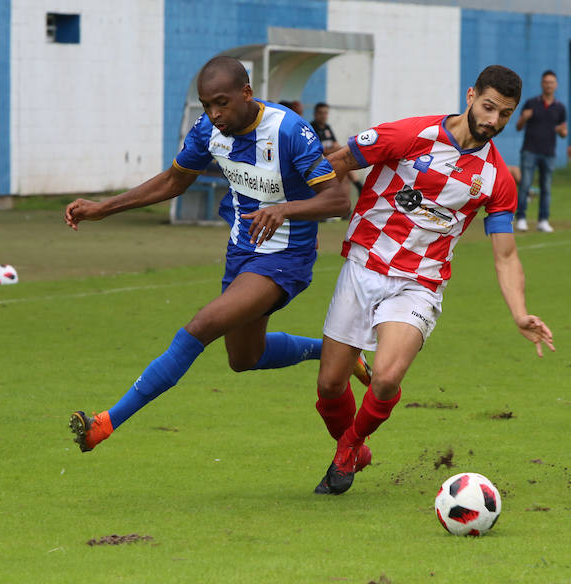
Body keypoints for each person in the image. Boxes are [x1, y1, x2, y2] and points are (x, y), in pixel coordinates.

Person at [65, 56, 368, 453]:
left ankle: (105, 422)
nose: (215, 113)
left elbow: (337, 201)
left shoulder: (289, 131)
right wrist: (104, 207)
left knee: (201, 325)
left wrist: (284, 209)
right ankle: (334, 352)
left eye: (222, 103)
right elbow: (175, 181)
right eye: (207, 104)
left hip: (285, 259)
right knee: (244, 358)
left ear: (246, 93)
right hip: (242, 253)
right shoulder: (209, 129)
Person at [310, 65, 555, 495]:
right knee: (330, 386)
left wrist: (520, 313)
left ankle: (350, 448)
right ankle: (350, 442)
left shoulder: (497, 178)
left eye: (505, 114)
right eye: (488, 107)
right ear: (470, 96)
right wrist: (285, 202)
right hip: (363, 266)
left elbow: (506, 254)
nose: (493, 121)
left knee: (386, 377)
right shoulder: (408, 135)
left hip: (419, 283)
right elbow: (337, 163)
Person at [514, 70, 567, 233]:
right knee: (525, 185)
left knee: (546, 188)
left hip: (548, 152)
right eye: (546, 82)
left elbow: (564, 132)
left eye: (551, 82)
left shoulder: (560, 108)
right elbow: (518, 126)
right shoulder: (531, 103)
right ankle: (521, 218)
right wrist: (524, 118)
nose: (548, 85)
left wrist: (562, 131)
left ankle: (543, 220)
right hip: (530, 150)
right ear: (541, 84)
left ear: (556, 85)